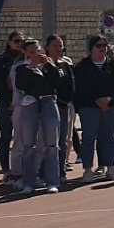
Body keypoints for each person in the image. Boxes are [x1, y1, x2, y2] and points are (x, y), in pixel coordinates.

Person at [12, 38, 63, 194]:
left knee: (52, 144)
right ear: (26, 53)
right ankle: (28, 182)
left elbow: (58, 82)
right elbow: (20, 85)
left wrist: (49, 65)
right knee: (28, 145)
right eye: (32, 52)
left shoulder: (49, 65)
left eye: (38, 51)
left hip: (48, 101)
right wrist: (31, 67)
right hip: (30, 103)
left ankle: (52, 181)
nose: (36, 54)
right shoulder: (22, 68)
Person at [73, 35, 114, 181]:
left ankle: (111, 168)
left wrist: (108, 99)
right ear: (91, 48)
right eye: (99, 46)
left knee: (110, 137)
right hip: (89, 107)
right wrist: (96, 99)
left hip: (111, 106)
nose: (102, 48)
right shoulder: (82, 66)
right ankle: (87, 170)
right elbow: (81, 87)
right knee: (89, 138)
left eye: (104, 45)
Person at [44, 36, 77, 173]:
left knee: (63, 140)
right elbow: (48, 86)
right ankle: (46, 171)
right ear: (47, 47)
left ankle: (61, 169)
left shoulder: (65, 65)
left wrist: (66, 103)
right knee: (50, 141)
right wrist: (57, 103)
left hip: (65, 107)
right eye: (55, 46)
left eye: (60, 46)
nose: (58, 49)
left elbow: (71, 85)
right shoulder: (43, 66)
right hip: (50, 107)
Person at [0, 31, 23, 181]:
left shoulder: (24, 59)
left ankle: (22, 169)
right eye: (16, 41)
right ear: (9, 42)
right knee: (6, 136)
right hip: (6, 103)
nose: (19, 44)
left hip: (22, 102)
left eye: (21, 41)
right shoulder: (1, 60)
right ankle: (6, 170)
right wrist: (9, 101)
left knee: (23, 136)